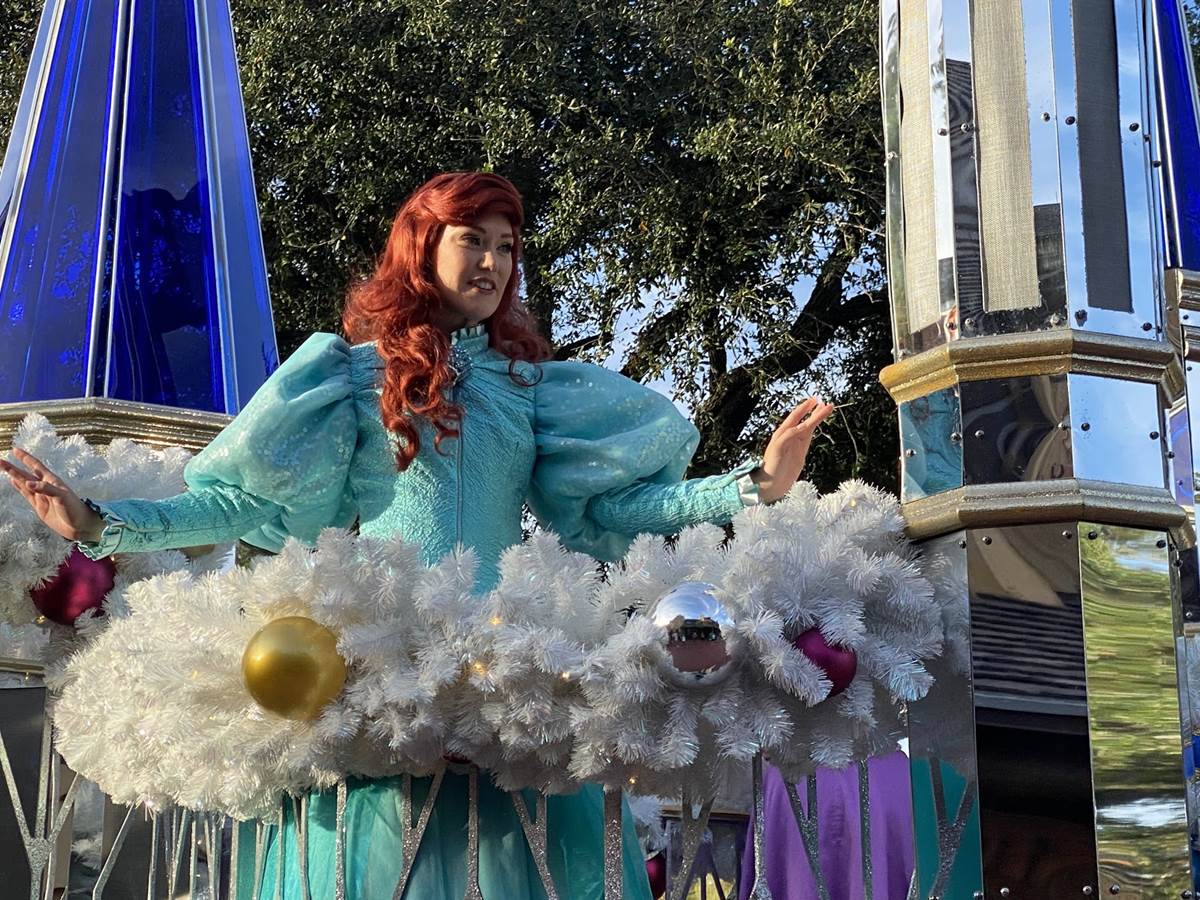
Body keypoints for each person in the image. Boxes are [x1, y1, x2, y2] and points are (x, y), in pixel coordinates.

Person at [3, 171, 834, 899]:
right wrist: (102, 523)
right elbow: (238, 501)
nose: (493, 262)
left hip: (506, 666)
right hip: (379, 663)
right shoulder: (348, 377)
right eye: (473, 239)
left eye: (507, 247)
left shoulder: (534, 390)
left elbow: (618, 509)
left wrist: (751, 485)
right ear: (421, 247)